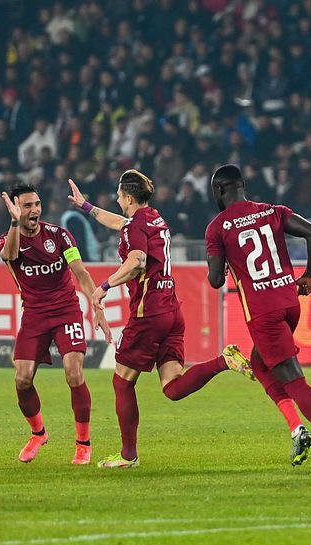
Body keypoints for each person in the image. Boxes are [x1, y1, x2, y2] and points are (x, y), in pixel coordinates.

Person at [68, 170, 253, 468]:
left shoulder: (135, 226)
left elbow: (137, 261)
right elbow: (121, 224)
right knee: (172, 387)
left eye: (119, 195)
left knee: (122, 382)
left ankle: (128, 455)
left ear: (129, 198)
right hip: (171, 310)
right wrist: (86, 207)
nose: (117, 199)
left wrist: (103, 287)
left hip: (148, 314)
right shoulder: (154, 218)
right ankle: (224, 361)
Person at [205, 164, 311, 480]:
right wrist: (309, 275)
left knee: (294, 380)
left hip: (263, 314)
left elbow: (214, 280)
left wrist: (221, 264)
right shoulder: (271, 211)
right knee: (259, 364)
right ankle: (297, 430)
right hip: (289, 303)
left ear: (220, 191)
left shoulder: (218, 227)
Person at [0, 184, 111, 465]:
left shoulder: (59, 236)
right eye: (27, 205)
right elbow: (10, 255)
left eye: (37, 204)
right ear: (16, 209)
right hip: (34, 315)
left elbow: (81, 273)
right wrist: (14, 223)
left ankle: (83, 444)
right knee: (22, 379)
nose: (34, 209)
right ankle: (38, 434)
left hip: (65, 311)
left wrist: (96, 305)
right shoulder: (6, 241)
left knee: (74, 373)